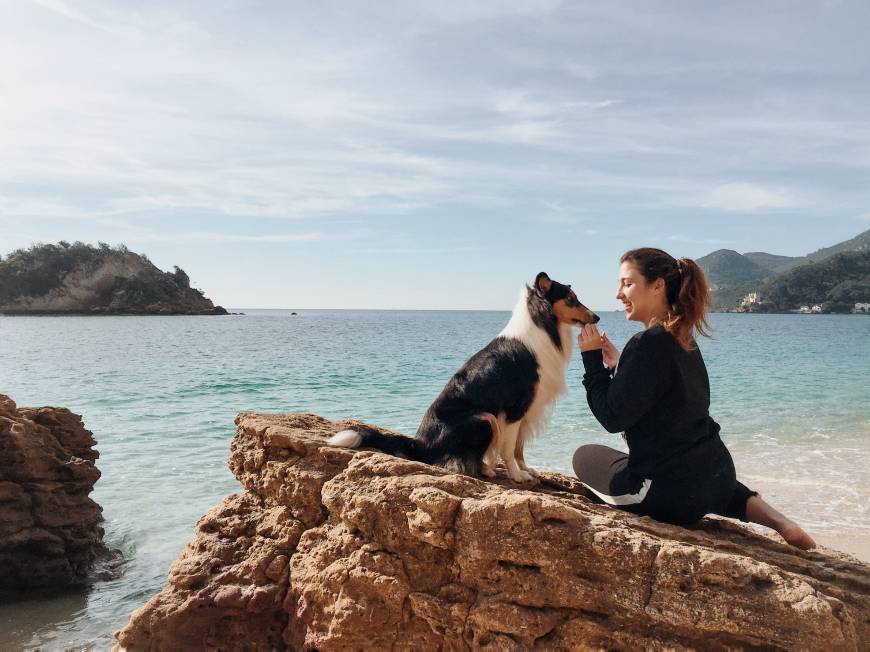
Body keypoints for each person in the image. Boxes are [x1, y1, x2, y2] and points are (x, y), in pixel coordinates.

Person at [573, 247, 815, 550]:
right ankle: (782, 522)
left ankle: (667, 493)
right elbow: (669, 398)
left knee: (584, 456)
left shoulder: (646, 343)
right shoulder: (683, 338)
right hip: (717, 471)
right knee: (706, 478)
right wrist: (621, 365)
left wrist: (591, 361)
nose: (618, 294)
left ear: (658, 285)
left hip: (668, 496)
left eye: (627, 283)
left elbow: (612, 417)